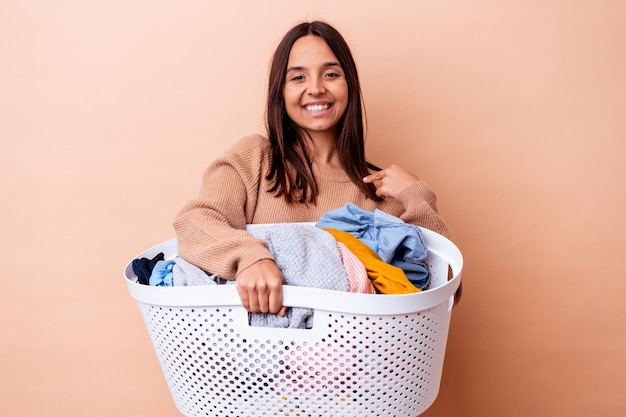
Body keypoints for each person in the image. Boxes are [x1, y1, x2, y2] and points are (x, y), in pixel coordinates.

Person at [173, 20, 459, 316]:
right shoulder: (254, 159)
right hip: (254, 354)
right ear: (280, 92)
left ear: (349, 84)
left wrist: (417, 195)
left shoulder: (382, 196)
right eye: (298, 78)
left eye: (331, 74)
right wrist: (252, 258)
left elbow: (442, 290)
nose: (316, 89)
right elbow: (195, 222)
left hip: (353, 359)